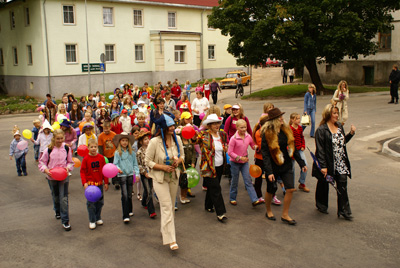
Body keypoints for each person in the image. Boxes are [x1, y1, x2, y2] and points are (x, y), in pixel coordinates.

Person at [261, 108, 307, 225]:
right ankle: (268, 210)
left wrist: (302, 163)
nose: (282, 118)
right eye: (279, 117)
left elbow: (293, 148)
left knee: (290, 188)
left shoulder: (286, 130)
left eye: (281, 116)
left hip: (286, 165)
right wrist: (269, 172)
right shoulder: (267, 133)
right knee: (271, 190)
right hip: (272, 166)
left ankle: (285, 215)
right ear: (273, 121)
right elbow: (265, 154)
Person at [145, 114, 184, 251]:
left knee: (171, 207)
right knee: (166, 206)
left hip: (173, 176)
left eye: (173, 125)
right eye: (170, 126)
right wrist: (162, 167)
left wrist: (177, 161)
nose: (173, 127)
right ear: (163, 127)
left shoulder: (177, 139)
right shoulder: (154, 142)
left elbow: (182, 156)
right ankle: (171, 239)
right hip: (159, 178)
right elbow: (147, 161)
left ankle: (165, 229)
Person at [313, 104, 356, 220]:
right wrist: (323, 166)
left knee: (342, 185)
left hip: (340, 162)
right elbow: (320, 150)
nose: (337, 115)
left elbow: (341, 142)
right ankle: (321, 205)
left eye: (337, 113)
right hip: (328, 162)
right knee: (323, 184)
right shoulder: (321, 130)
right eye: (335, 113)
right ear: (328, 115)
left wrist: (351, 134)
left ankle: (344, 210)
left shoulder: (339, 127)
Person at [38, 129, 74, 231]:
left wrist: (68, 168)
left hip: (64, 176)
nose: (59, 140)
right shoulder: (48, 150)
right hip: (52, 177)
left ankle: (65, 220)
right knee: (56, 195)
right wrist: (45, 170)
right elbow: (42, 162)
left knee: (64, 198)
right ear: (54, 138)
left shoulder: (66, 149)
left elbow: (70, 162)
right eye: (57, 138)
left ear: (64, 138)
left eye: (61, 138)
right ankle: (57, 210)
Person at [196, 114, 228, 222]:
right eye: (214, 123)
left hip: (219, 165)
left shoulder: (223, 134)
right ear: (209, 125)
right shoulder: (203, 134)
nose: (216, 125)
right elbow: (193, 141)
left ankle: (208, 205)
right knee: (216, 189)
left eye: (218, 123)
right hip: (208, 166)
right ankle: (221, 213)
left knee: (213, 187)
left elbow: (225, 146)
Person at [228, 119, 264, 207]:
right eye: (241, 127)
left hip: (244, 162)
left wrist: (256, 147)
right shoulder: (233, 139)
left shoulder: (248, 136)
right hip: (235, 163)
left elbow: (252, 145)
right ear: (237, 128)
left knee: (248, 180)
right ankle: (232, 198)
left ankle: (254, 199)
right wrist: (240, 158)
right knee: (235, 181)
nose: (244, 129)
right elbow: (229, 152)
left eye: (245, 127)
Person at [80, 139, 108, 229]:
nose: (93, 148)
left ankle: (98, 217)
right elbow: (82, 172)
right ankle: (92, 220)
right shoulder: (86, 159)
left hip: (99, 184)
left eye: (95, 147)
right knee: (91, 203)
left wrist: (106, 182)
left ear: (97, 147)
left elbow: (105, 170)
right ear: (88, 148)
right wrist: (84, 182)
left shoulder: (101, 158)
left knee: (100, 202)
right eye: (91, 147)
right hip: (90, 185)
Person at [113, 132, 140, 223]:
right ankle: (125, 215)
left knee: (129, 194)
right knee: (124, 194)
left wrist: (137, 174)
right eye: (123, 141)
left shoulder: (132, 152)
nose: (124, 142)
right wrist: (118, 169)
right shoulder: (117, 153)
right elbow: (115, 164)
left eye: (126, 141)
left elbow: (135, 164)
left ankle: (129, 209)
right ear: (120, 142)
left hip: (130, 175)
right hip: (122, 175)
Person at [136, 130, 157, 218]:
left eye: (148, 139)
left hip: (152, 172)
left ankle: (144, 201)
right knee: (149, 191)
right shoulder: (139, 152)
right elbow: (139, 164)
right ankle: (151, 211)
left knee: (149, 189)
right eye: (145, 139)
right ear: (141, 142)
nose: (147, 141)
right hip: (144, 174)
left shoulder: (152, 149)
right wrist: (144, 173)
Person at [289, 113, 309, 192]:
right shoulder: (290, 129)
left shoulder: (300, 128)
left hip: (299, 150)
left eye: (299, 118)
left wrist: (303, 145)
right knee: (292, 168)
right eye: (297, 119)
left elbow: (302, 137)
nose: (299, 120)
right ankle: (291, 185)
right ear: (292, 120)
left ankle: (302, 183)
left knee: (305, 165)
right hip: (292, 151)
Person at [252, 115, 269, 202]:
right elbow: (261, 146)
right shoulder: (259, 133)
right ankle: (258, 195)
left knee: (270, 176)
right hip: (260, 158)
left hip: (267, 158)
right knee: (258, 177)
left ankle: (271, 195)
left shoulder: (268, 132)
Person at [98, 121, 118, 190]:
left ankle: (115, 182)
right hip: (105, 155)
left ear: (110, 127)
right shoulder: (101, 136)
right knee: (105, 169)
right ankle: (106, 180)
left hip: (113, 154)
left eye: (107, 128)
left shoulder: (114, 134)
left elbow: (116, 144)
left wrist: (117, 153)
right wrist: (101, 156)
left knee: (114, 168)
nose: (106, 130)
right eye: (104, 129)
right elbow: (100, 147)